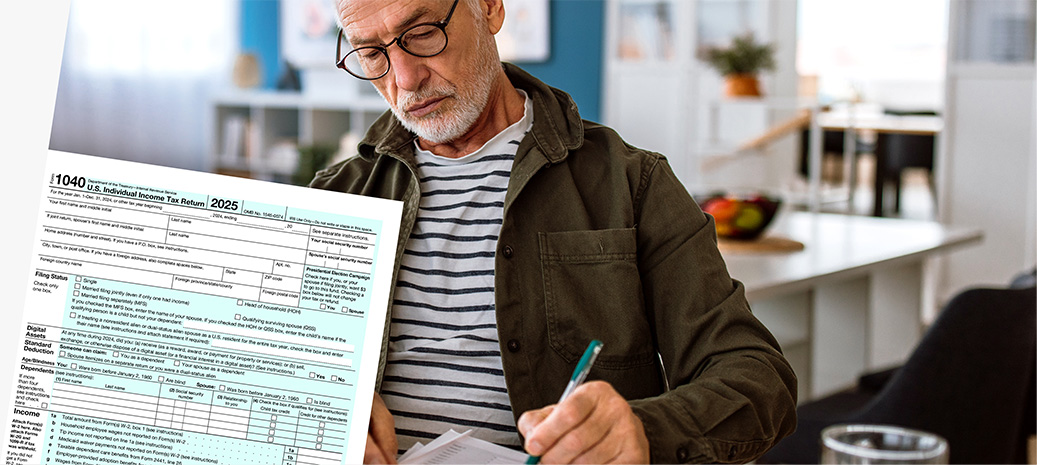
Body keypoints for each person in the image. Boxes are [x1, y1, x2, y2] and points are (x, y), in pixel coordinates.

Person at [311, 0, 798, 463]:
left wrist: (643, 431)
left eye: (421, 34)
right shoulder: (334, 201)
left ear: (489, 8)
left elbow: (757, 380)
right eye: (372, 54)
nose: (405, 77)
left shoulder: (631, 184)